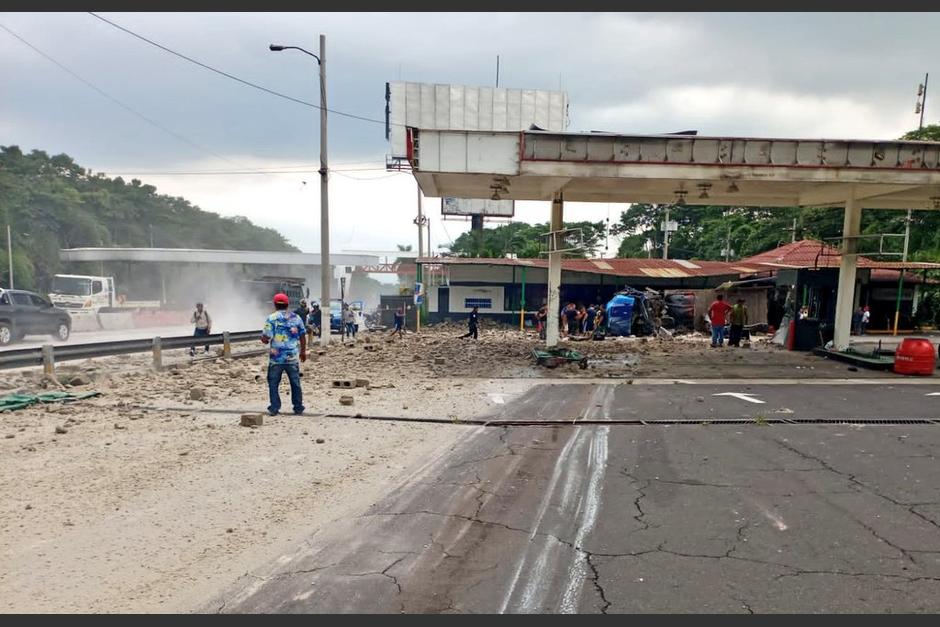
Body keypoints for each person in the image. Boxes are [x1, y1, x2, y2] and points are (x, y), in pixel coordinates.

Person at [261, 292, 306, 416]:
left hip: (276, 358)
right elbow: (302, 335)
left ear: (275, 304)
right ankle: (298, 407)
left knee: (273, 383)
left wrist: (263, 339)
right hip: (292, 357)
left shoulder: (271, 318)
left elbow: (266, 337)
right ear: (287, 304)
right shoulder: (296, 318)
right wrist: (303, 351)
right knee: (295, 383)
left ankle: (275, 407)